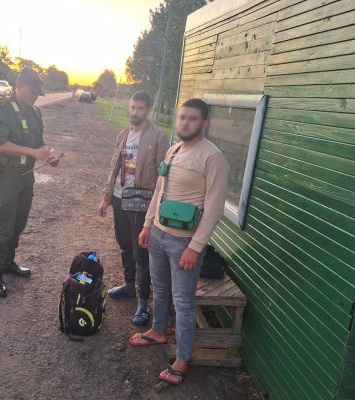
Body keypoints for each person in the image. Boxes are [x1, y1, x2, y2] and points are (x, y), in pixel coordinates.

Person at [129, 99, 229, 386]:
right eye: (182, 117)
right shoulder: (173, 150)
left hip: (184, 242)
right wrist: (148, 225)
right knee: (160, 289)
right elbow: (159, 191)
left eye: (193, 118)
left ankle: (182, 359)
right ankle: (158, 330)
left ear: (204, 123)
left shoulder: (212, 158)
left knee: (184, 302)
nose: (185, 122)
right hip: (159, 235)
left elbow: (214, 208)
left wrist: (195, 247)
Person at [0, 67, 60, 297]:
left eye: (38, 92)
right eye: (32, 92)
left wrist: (48, 156)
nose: (35, 96)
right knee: (5, 225)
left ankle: (8, 263)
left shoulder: (35, 112)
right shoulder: (2, 109)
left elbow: (39, 144)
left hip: (26, 177)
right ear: (19, 87)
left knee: (19, 223)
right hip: (7, 176)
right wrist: (33, 152)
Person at [98, 91, 169, 326]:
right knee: (124, 245)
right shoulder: (123, 134)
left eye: (139, 108)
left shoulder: (159, 137)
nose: (135, 112)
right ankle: (129, 285)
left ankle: (142, 301)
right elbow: (114, 168)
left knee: (141, 253)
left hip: (141, 202)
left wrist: (156, 207)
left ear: (148, 109)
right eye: (132, 107)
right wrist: (106, 198)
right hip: (119, 198)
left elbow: (163, 175)